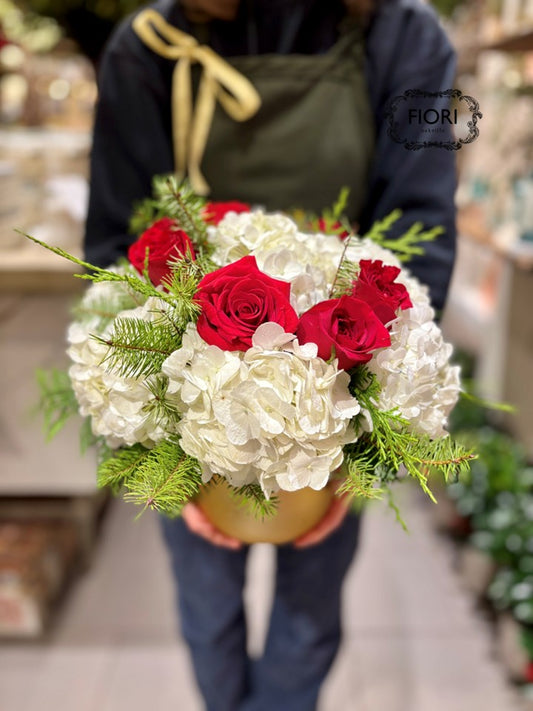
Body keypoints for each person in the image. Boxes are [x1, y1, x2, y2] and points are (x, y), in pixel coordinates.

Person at [84, 1, 457, 709]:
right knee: (207, 605)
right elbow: (114, 241)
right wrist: (161, 441)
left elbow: (420, 227)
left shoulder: (404, 37)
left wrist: (363, 427)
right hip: (187, 388)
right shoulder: (152, 46)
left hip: (341, 385)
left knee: (308, 615)